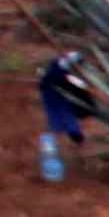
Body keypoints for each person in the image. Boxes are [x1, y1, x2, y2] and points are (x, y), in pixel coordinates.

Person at [37, 50, 96, 185]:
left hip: (57, 94)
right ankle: (53, 167)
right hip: (57, 94)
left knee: (61, 126)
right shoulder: (64, 71)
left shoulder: (62, 67)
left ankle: (57, 164)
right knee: (60, 126)